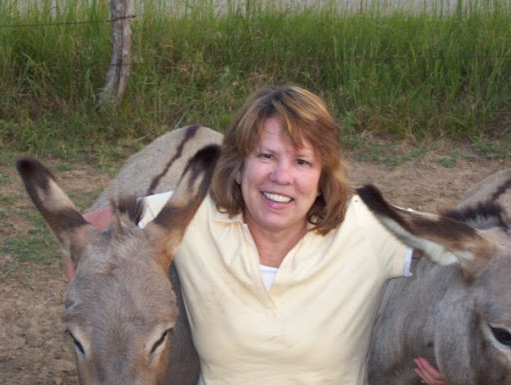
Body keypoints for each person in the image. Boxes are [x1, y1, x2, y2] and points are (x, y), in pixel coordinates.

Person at [83, 85, 448, 385]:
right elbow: (91, 227)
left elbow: (481, 256)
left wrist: (465, 370)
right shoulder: (195, 215)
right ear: (239, 167)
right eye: (267, 156)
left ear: (322, 178)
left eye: (302, 162)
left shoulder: (366, 228)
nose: (282, 176)